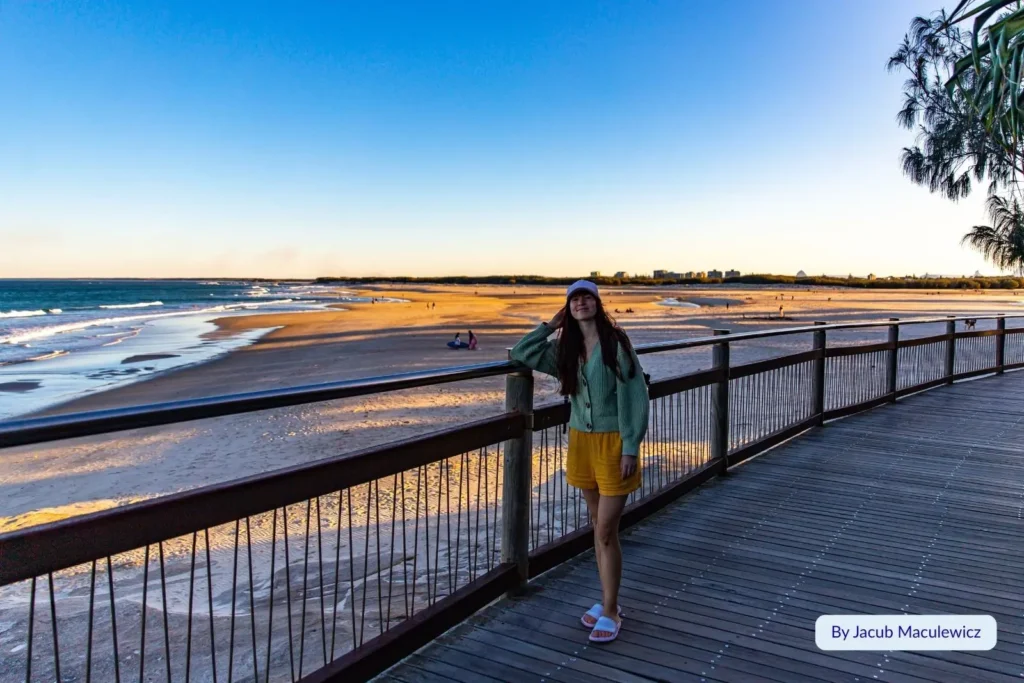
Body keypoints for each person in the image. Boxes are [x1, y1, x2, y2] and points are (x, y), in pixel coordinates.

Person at [509, 279, 649, 644]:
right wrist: (551, 325)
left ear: (598, 304)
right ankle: (607, 600)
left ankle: (613, 609)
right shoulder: (565, 349)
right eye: (574, 299)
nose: (581, 303)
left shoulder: (616, 344)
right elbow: (521, 352)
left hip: (613, 442)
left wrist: (630, 446)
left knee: (605, 531)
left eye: (587, 297)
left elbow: (635, 395)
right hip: (580, 442)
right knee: (597, 528)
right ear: (567, 308)